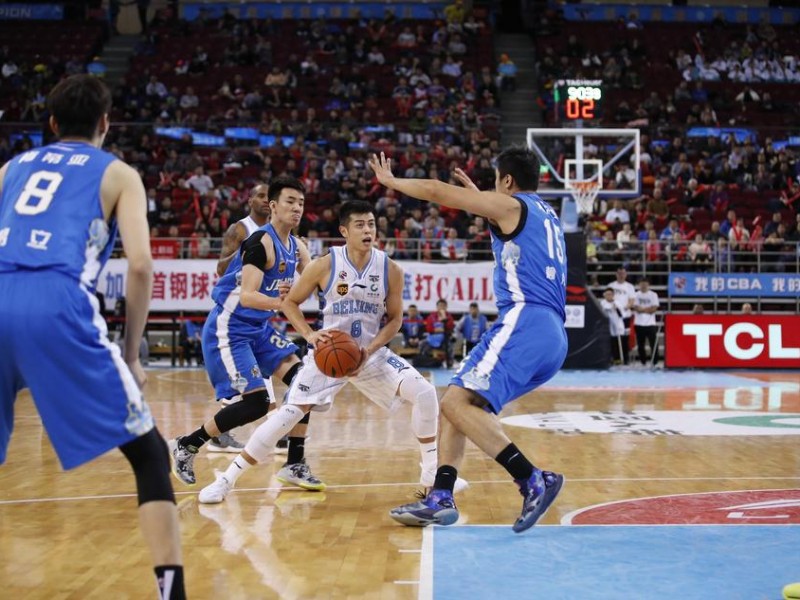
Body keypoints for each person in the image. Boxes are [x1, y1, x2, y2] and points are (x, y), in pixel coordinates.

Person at [0, 75, 186, 599]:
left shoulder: (11, 167)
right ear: (105, 124)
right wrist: (131, 355)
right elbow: (143, 266)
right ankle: (173, 593)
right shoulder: (119, 173)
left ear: (52, 124)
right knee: (148, 455)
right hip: (57, 301)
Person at [197, 201, 467, 504]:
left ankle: (431, 473)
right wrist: (310, 335)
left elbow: (395, 321)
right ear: (344, 231)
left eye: (371, 224)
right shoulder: (325, 264)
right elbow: (289, 303)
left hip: (368, 354)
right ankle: (227, 480)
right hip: (327, 354)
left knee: (425, 393)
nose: (368, 230)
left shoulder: (391, 269)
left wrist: (370, 349)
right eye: (360, 225)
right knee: (286, 416)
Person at [368, 147, 566, 533]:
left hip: (525, 320)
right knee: (458, 401)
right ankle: (441, 496)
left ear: (507, 182)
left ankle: (532, 479)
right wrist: (483, 201)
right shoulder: (546, 213)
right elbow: (513, 235)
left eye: (496, 183)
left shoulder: (511, 206)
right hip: (551, 335)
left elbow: (437, 191)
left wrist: (392, 183)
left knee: (456, 404)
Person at [169, 176, 324, 492]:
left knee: (304, 381)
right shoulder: (259, 244)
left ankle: (295, 463)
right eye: (290, 201)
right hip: (230, 329)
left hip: (260, 328)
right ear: (273, 206)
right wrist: (283, 300)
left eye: (301, 203)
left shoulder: (298, 246)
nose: (296, 208)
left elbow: (316, 277)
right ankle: (187, 444)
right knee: (256, 404)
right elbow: (248, 296)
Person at [212, 183, 293, 454]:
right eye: (259, 195)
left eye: (267, 196)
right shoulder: (241, 229)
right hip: (235, 313)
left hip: (260, 317)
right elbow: (221, 267)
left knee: (264, 385)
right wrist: (246, 255)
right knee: (253, 391)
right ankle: (222, 433)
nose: (263, 200)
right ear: (250, 200)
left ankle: (277, 435)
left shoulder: (281, 233)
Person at [421, 298, 456, 368]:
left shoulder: (449, 316)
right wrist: (438, 330)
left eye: (443, 306)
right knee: (422, 345)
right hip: (432, 338)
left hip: (444, 339)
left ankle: (449, 363)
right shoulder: (431, 316)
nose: (441, 307)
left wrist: (444, 318)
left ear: (446, 307)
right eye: (440, 306)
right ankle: (427, 362)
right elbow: (429, 328)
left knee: (450, 345)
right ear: (437, 307)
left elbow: (450, 327)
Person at [632, 278, 660, 365]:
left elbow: (654, 308)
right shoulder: (635, 295)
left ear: (648, 285)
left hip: (650, 323)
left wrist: (642, 309)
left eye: (645, 284)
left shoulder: (653, 295)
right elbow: (636, 308)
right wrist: (647, 309)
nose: (643, 286)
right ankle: (643, 362)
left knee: (654, 344)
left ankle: (655, 362)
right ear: (639, 285)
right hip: (639, 323)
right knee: (641, 345)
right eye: (642, 284)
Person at [601, 288, 627, 365]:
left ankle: (622, 359)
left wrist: (617, 309)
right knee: (610, 344)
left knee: (620, 343)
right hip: (608, 327)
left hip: (618, 325)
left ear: (613, 295)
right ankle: (611, 359)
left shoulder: (618, 303)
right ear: (604, 295)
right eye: (607, 294)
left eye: (610, 294)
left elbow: (623, 315)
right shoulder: (602, 303)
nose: (609, 296)